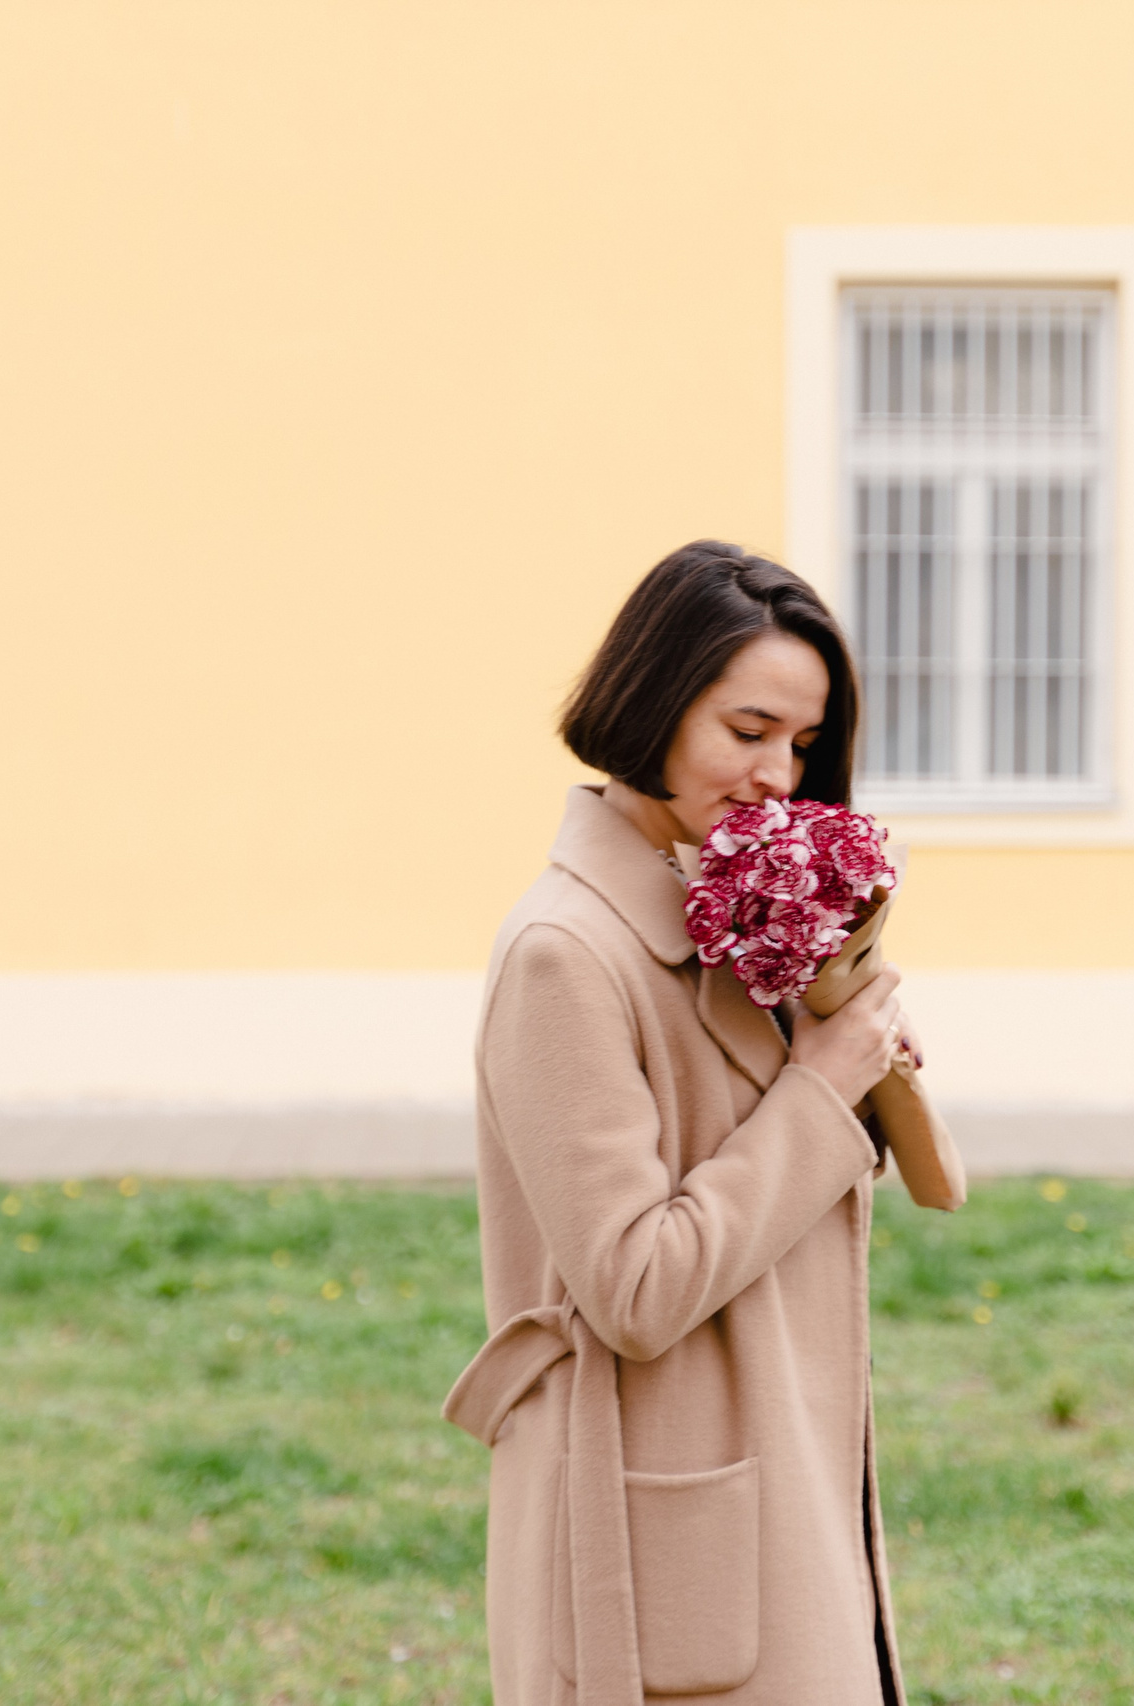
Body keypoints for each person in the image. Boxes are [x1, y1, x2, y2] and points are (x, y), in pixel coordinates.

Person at [443, 540, 918, 1706]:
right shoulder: (568, 952)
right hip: (651, 1518)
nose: (777, 776)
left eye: (803, 746)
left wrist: (840, 988)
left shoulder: (741, 927)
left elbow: (938, 1179)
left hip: (775, 1488)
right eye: (746, 730)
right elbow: (635, 1284)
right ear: (655, 700)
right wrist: (819, 1082)